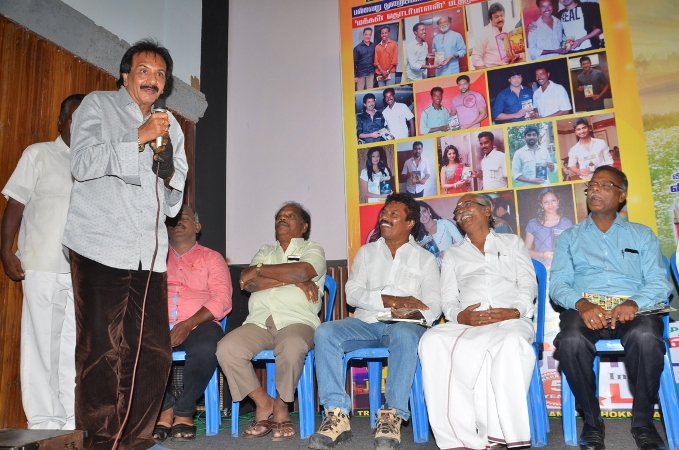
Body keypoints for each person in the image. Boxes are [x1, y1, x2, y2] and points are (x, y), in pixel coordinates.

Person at [63, 39, 188, 449]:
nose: (152, 80)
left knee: (154, 352)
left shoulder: (170, 125)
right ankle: (100, 441)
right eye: (144, 71)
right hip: (100, 245)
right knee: (102, 350)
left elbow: (174, 196)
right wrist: (138, 136)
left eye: (160, 74)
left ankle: (135, 438)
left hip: (148, 254)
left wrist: (165, 166)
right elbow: (82, 163)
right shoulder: (98, 106)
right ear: (125, 75)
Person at [550, 166, 672, 450]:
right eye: (592, 185)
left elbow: (658, 281)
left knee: (645, 337)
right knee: (570, 340)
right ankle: (593, 423)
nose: (595, 189)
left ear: (622, 195)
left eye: (605, 185)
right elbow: (558, 285)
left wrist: (634, 302)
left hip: (633, 311)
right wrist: (581, 304)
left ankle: (643, 423)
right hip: (586, 311)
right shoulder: (569, 237)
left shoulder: (641, 235)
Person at [309, 193, 441, 450]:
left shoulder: (425, 259)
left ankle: (391, 415)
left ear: (410, 223)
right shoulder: (366, 253)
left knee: (405, 333)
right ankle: (336, 415)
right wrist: (391, 300)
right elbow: (353, 294)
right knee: (325, 332)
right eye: (384, 213)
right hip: (367, 323)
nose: (385, 217)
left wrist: (410, 314)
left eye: (394, 214)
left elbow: (434, 305)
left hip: (405, 326)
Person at [419, 193, 537, 450]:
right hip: (470, 323)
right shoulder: (453, 254)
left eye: (468, 204)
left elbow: (528, 283)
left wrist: (515, 311)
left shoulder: (512, 243)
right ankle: (459, 437)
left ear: (487, 210)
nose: (461, 210)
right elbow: (448, 299)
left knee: (509, 342)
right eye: (458, 208)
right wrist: (460, 316)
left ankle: (502, 436)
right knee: (432, 339)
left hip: (510, 320)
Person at [1, 94, 83, 430]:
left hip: (81, 272)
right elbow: (16, 204)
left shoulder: (94, 163)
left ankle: (69, 420)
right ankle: (45, 421)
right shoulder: (38, 154)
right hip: (42, 265)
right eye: (75, 118)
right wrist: (6, 251)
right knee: (40, 347)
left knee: (72, 348)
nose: (81, 125)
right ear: (61, 122)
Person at [217, 202, 325, 441]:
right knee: (227, 348)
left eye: (290, 216)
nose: (282, 219)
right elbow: (248, 283)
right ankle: (263, 402)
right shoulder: (265, 251)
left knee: (293, 345)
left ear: (304, 226)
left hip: (297, 320)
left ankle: (282, 405)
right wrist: (294, 279)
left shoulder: (313, 248)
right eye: (279, 216)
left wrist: (263, 271)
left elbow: (303, 271)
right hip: (259, 321)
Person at [153, 205, 232, 443]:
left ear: (197, 227)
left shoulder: (212, 258)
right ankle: (165, 407)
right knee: (131, 343)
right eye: (172, 219)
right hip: (158, 325)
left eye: (184, 218)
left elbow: (222, 299)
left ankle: (184, 411)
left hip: (198, 326)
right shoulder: (154, 258)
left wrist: (187, 324)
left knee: (207, 346)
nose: (177, 222)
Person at [523, 188, 573, 268]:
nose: (550, 204)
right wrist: (542, 255)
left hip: (561, 268)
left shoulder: (566, 223)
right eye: (546, 202)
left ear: (558, 202)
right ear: (541, 204)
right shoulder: (533, 224)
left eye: (553, 200)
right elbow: (525, 250)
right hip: (540, 268)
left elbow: (572, 248)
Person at [470, 2, 520, 69]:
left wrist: (516, 55)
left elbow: (520, 51)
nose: (500, 19)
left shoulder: (510, 29)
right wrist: (486, 72)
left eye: (501, 15)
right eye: (496, 17)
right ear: (490, 19)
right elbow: (476, 57)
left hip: (510, 65)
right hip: (491, 69)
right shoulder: (484, 33)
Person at [416, 201, 464, 266]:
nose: (422, 215)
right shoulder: (418, 236)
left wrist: (448, 252)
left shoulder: (445, 224)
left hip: (451, 265)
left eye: (424, 211)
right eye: (418, 214)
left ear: (428, 210)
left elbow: (462, 243)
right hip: (432, 270)